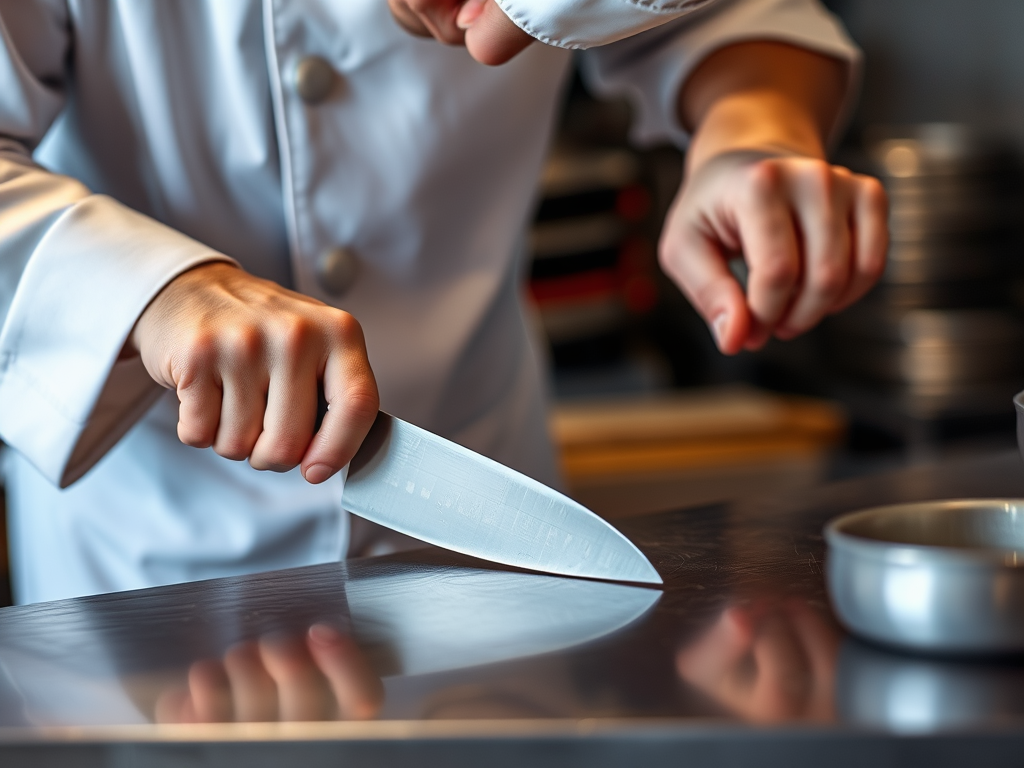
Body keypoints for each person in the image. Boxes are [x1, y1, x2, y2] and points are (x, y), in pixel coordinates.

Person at [0, 0, 886, 605]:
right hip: (143, 568)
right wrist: (161, 291)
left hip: (491, 516)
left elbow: (727, 17)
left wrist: (750, 132)